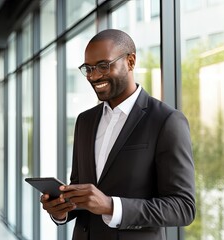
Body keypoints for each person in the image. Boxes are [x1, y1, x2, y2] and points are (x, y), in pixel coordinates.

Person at [40, 29, 196, 240]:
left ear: (130, 62)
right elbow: (79, 190)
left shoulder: (166, 121)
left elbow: (182, 207)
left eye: (104, 66)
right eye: (88, 68)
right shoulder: (84, 121)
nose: (94, 76)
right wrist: (61, 210)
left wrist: (111, 206)